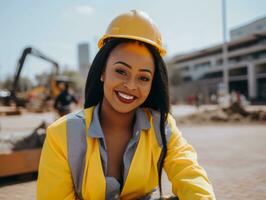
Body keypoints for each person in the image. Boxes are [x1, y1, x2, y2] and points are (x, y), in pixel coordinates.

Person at [37, 10, 216, 200]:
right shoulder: (62, 134)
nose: (131, 85)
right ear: (102, 72)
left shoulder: (162, 126)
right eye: (121, 71)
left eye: (143, 77)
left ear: (152, 83)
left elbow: (190, 174)